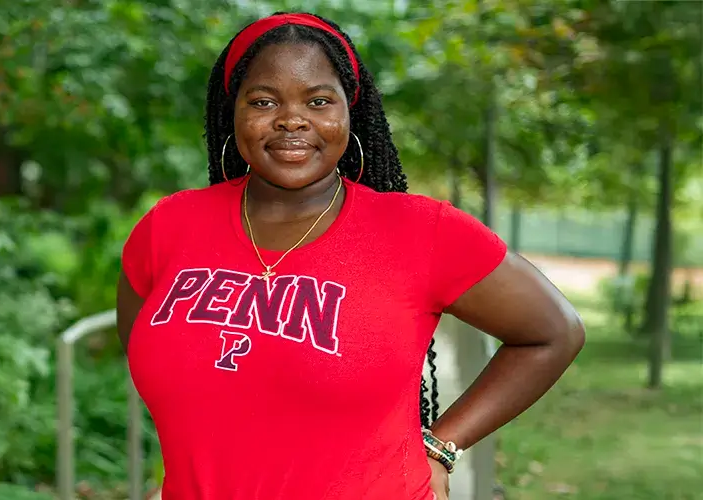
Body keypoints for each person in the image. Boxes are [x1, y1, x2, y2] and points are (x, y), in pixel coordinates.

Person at [117, 11, 585, 500]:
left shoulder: (422, 231)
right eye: (263, 101)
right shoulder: (169, 226)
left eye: (318, 100)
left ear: (349, 111)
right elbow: (158, 363)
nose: (292, 119)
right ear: (232, 111)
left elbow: (554, 333)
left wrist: (442, 446)